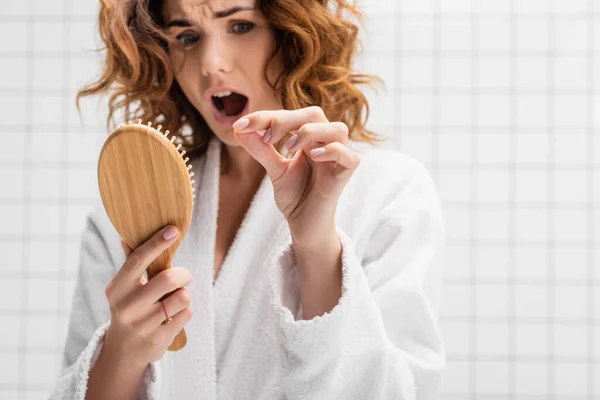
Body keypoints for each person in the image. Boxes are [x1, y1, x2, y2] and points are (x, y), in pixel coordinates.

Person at [50, 0, 447, 399]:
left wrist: (316, 246)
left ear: (291, 36)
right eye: (186, 36)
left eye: (240, 26)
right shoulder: (131, 205)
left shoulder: (388, 191)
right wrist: (122, 351)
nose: (211, 63)